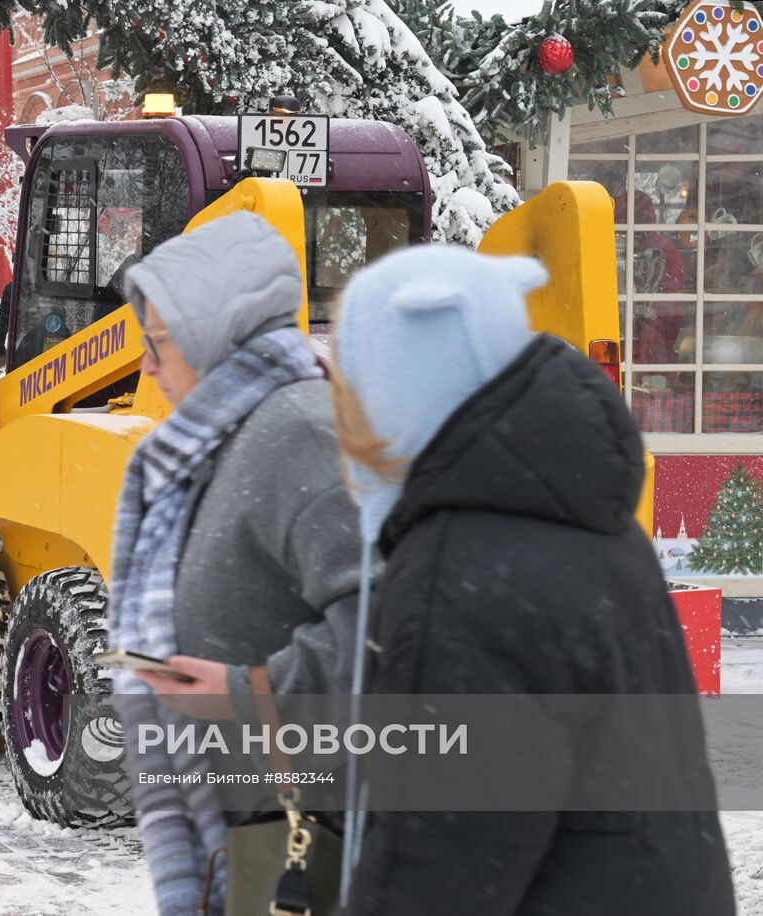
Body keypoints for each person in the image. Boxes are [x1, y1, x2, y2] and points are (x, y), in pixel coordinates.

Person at [329, 246, 734, 914]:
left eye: (350, 383)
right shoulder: (578, 517)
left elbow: (434, 871)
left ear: (402, 388)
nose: (340, 413)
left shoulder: (461, 577)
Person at [105, 211, 365, 915]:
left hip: (305, 849)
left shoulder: (301, 432)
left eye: (158, 342)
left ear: (212, 332)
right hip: (249, 841)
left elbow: (391, 629)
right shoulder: (213, 443)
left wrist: (251, 694)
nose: (147, 366)